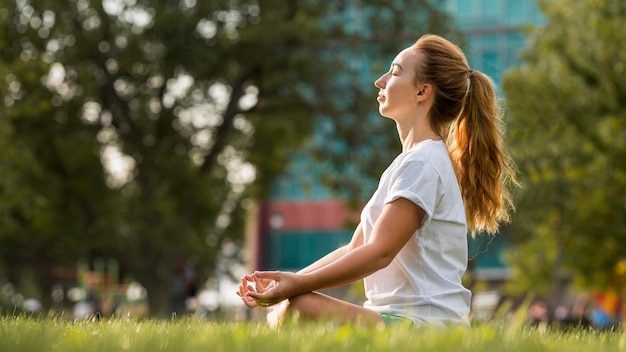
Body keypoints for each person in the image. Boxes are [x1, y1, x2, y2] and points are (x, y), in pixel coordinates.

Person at [237, 34, 517, 328]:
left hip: (424, 326)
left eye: (395, 72)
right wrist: (286, 284)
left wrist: (295, 286)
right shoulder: (410, 162)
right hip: (397, 319)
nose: (380, 81)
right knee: (287, 304)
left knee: (295, 308)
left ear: (422, 91)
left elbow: (380, 252)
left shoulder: (423, 163)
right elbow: (356, 248)